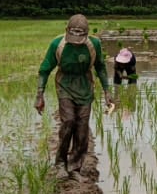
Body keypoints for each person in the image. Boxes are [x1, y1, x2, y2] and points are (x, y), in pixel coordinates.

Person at [35, 14, 114, 180]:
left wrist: (107, 91)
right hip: (65, 85)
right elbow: (44, 70)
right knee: (69, 121)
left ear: (86, 34)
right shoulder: (58, 44)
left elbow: (100, 68)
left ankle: (75, 168)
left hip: (85, 85)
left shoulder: (94, 45)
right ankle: (60, 163)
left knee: (82, 127)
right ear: (66, 31)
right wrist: (39, 94)